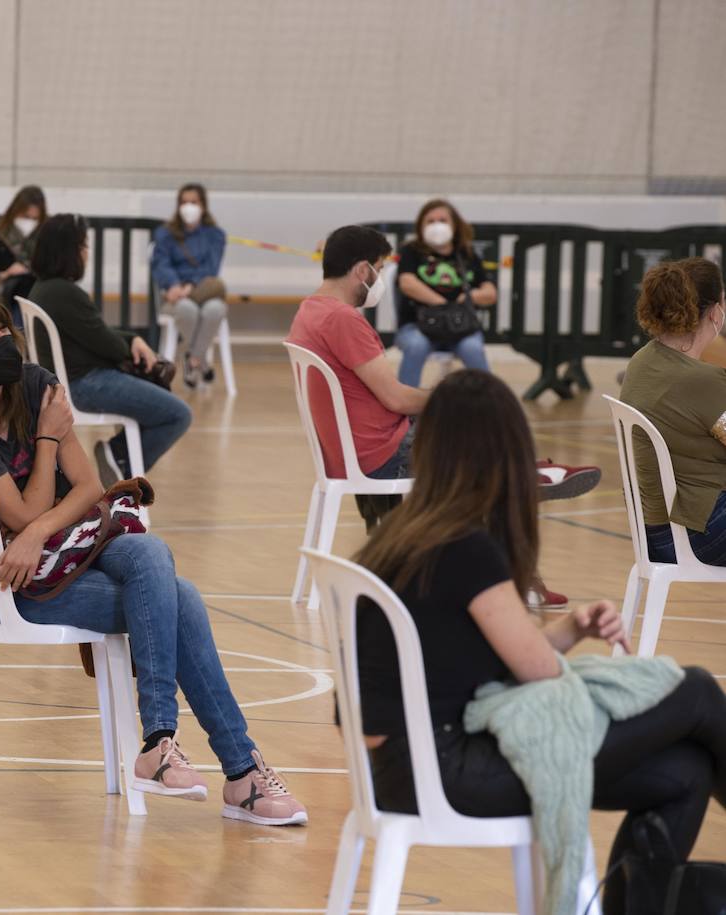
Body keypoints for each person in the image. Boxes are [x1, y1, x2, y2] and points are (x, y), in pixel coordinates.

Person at [0, 291, 306, 826]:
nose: (2, 341)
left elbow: (88, 487)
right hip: (16, 585)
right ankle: (237, 772)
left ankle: (162, 742)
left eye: (3, 329)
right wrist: (47, 442)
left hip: (75, 545)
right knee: (181, 599)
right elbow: (23, 512)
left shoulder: (36, 384)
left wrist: (37, 530)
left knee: (148, 549)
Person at [354, 369, 726, 915]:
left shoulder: (402, 535)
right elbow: (539, 675)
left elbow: (495, 661)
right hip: (448, 770)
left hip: (400, 769)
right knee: (694, 691)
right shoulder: (464, 546)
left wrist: (571, 629)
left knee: (685, 772)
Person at [286, 225, 601, 609]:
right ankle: (526, 481)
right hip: (382, 453)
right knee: (477, 419)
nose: (381, 280)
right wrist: (447, 397)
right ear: (362, 270)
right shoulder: (344, 320)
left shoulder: (309, 311)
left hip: (347, 451)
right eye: (380, 270)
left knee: (475, 436)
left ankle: (524, 481)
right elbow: (396, 397)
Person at [27, 214, 192, 487]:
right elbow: (109, 345)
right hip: (86, 384)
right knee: (178, 414)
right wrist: (132, 345)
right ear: (69, 250)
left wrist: (132, 340)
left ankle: (118, 460)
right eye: (83, 245)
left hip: (71, 380)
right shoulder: (65, 293)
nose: (86, 252)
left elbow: (97, 332)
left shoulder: (43, 289)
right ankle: (120, 457)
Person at [621, 257, 726, 566]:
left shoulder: (642, 361)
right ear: (715, 312)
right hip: (694, 535)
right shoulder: (701, 381)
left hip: (653, 532)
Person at [393, 198, 495, 387]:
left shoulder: (467, 254)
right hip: (417, 325)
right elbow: (407, 283)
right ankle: (403, 401)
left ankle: (490, 399)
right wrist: (444, 304)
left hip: (461, 328)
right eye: (430, 221)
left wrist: (470, 296)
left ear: (455, 225)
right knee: (416, 345)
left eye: (442, 220)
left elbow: (490, 293)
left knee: (472, 348)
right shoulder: (411, 251)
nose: (437, 225)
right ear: (421, 226)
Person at [151, 183, 228, 388]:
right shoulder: (165, 234)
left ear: (203, 205)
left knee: (215, 309)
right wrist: (174, 285)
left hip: (204, 291)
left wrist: (191, 286)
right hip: (175, 294)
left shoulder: (215, 235)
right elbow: (161, 264)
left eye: (193, 202)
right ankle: (200, 361)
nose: (188, 207)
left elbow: (211, 268)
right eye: (184, 202)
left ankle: (192, 357)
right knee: (187, 309)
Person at [0, 184, 46, 324]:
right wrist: (6, 274)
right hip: (4, 300)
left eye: (35, 219)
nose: (29, 223)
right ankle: (18, 334)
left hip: (35, 298)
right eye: (26, 217)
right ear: (14, 212)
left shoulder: (45, 241)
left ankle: (19, 333)